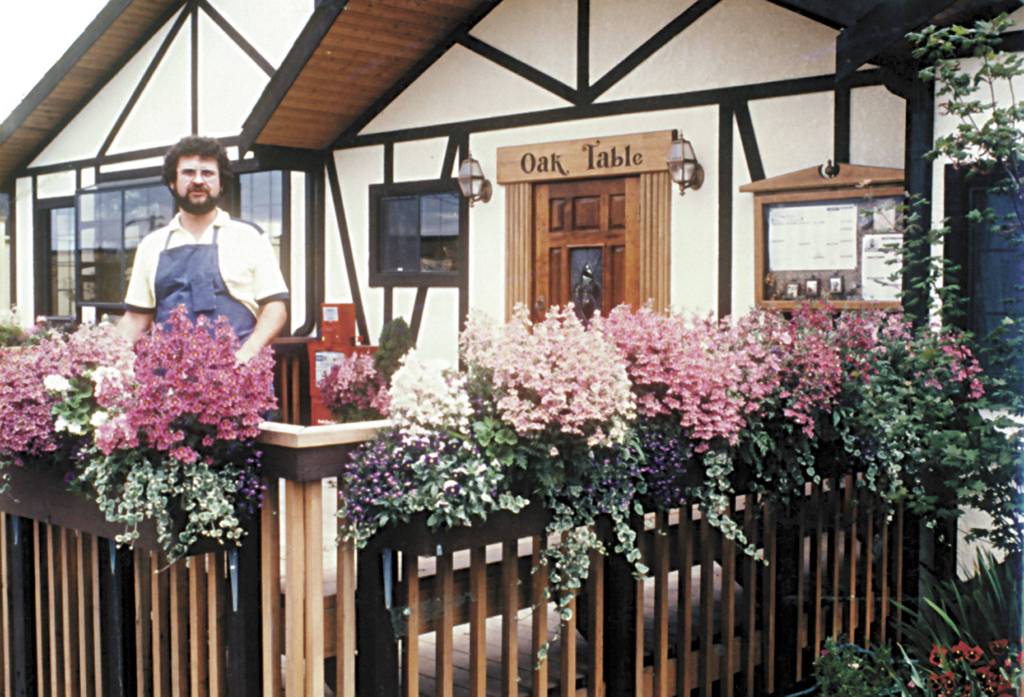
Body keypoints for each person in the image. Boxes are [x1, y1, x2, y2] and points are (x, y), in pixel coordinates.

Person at [118, 136, 288, 361]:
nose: (198, 181)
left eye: (207, 173)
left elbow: (275, 308)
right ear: (172, 181)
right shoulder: (152, 245)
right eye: (188, 173)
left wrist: (246, 355)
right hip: (169, 382)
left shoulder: (249, 237)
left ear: (221, 182)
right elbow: (136, 318)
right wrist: (105, 358)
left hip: (237, 379)